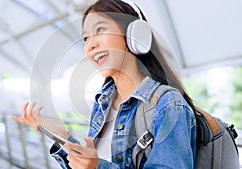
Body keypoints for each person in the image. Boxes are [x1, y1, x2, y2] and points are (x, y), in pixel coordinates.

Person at [12, 0, 197, 168]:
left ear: (135, 34)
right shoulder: (103, 102)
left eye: (100, 30)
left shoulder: (167, 105)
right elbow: (93, 163)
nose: (90, 45)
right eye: (86, 38)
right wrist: (61, 136)